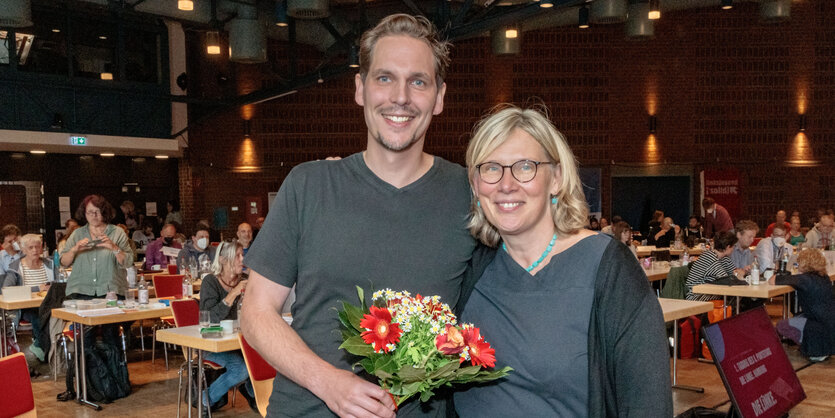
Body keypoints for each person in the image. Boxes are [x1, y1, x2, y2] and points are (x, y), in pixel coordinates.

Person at [241, 14, 477, 418]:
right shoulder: (309, 185)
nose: (400, 97)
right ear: (360, 89)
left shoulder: (470, 194)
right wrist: (328, 382)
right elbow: (255, 313)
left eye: (418, 81)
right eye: (384, 77)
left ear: (439, 97)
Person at [453, 105, 671, 416]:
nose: (506, 183)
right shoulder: (469, 269)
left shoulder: (608, 269)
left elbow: (647, 404)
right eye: (490, 168)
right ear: (475, 185)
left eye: (525, 166)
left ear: (555, 178)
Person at [59, 195, 133, 369]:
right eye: (89, 212)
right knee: (85, 338)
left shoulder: (117, 233)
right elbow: (63, 261)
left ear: (104, 212)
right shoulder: (78, 233)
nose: (93, 216)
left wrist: (114, 248)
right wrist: (76, 249)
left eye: (97, 212)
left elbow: (128, 261)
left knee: (111, 336)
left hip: (110, 290)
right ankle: (89, 381)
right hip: (81, 289)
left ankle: (113, 378)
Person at [198, 240, 255, 412]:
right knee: (241, 369)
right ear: (222, 260)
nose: (241, 259)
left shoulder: (245, 280)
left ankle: (254, 393)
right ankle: (206, 398)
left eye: (242, 255)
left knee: (271, 358)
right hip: (212, 345)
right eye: (236, 256)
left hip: (240, 342)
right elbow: (210, 318)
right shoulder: (210, 282)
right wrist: (234, 293)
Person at [771, 249, 835, 362]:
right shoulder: (824, 277)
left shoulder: (804, 279)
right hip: (828, 321)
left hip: (816, 321)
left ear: (805, 263)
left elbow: (773, 280)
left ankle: (811, 345)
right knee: (797, 318)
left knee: (781, 325)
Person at [2, 233, 55, 361]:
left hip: (48, 304)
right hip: (26, 308)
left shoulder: (50, 263)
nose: (35, 250)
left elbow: (58, 282)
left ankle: (41, 346)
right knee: (38, 315)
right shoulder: (16, 267)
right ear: (24, 250)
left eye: (37, 247)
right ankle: (43, 348)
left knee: (51, 315)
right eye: (31, 247)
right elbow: (7, 289)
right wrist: (37, 289)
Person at [685, 231, 738, 301]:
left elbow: (735, 273)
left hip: (709, 295)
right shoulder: (709, 256)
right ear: (728, 247)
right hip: (696, 296)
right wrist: (738, 275)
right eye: (733, 246)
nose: (734, 249)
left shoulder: (724, 258)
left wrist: (741, 273)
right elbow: (725, 280)